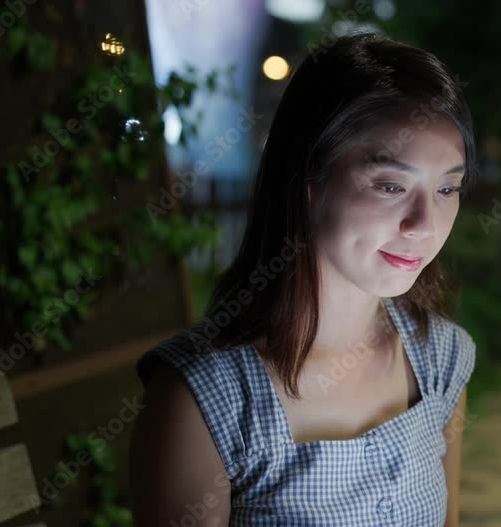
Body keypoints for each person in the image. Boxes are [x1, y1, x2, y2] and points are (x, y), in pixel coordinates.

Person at [129, 33, 478, 526]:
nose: (424, 223)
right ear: (307, 182)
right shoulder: (207, 397)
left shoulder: (440, 358)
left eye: (447, 188)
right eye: (390, 185)